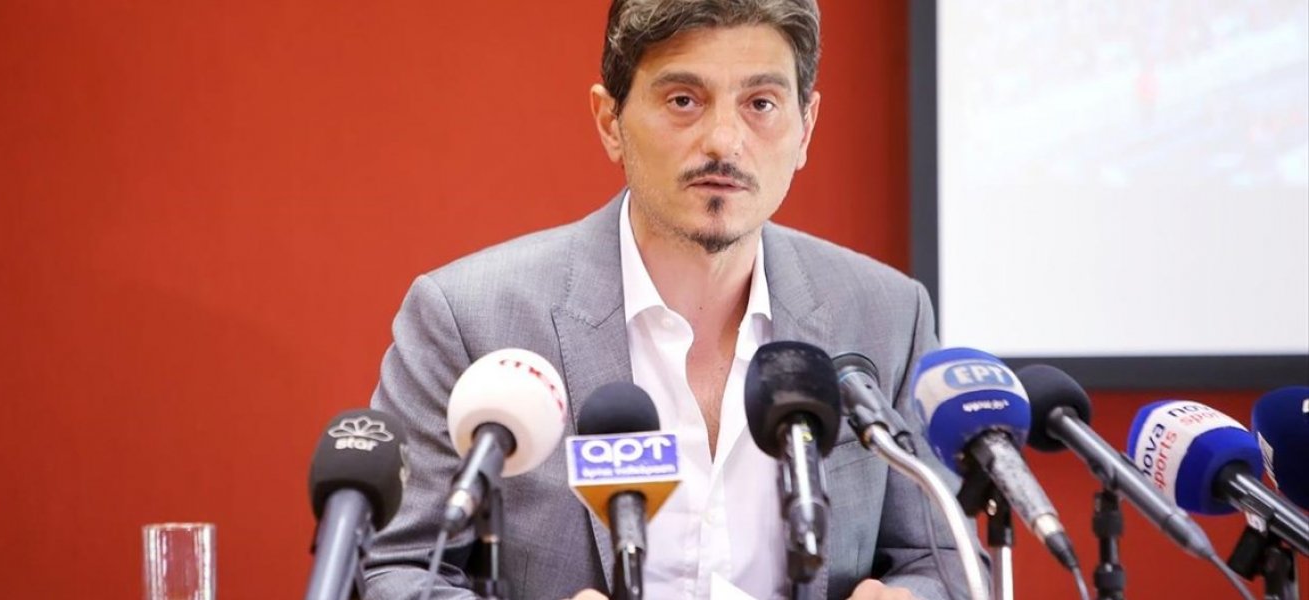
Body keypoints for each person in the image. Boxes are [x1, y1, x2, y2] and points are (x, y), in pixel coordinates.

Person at [365, 1, 984, 598]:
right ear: (610, 121)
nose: (723, 141)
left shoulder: (886, 314)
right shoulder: (468, 318)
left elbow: (944, 560)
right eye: (684, 100)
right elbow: (395, 569)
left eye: (761, 104)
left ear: (806, 128)